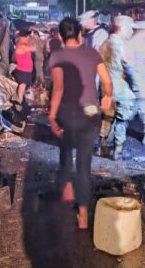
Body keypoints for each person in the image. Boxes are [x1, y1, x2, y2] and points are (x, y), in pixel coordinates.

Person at [48, 17, 113, 229]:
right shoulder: (92, 53)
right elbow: (107, 81)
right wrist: (107, 96)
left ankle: (67, 187)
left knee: (66, 150)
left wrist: (52, 115)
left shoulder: (57, 56)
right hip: (91, 113)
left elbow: (58, 89)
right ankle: (83, 216)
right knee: (84, 166)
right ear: (79, 34)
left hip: (69, 113)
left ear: (60, 36)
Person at [97, 15, 137, 160]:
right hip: (120, 87)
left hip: (105, 86)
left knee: (107, 117)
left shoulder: (104, 44)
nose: (132, 31)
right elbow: (130, 68)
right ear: (123, 28)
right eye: (130, 28)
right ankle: (118, 150)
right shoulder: (123, 46)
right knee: (122, 118)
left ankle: (101, 146)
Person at [13, 30, 37, 103]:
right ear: (22, 37)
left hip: (26, 70)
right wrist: (33, 38)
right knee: (22, 87)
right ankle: (20, 102)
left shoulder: (23, 44)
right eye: (26, 36)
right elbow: (34, 48)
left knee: (23, 87)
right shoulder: (21, 46)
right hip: (22, 70)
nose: (28, 38)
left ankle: (21, 101)